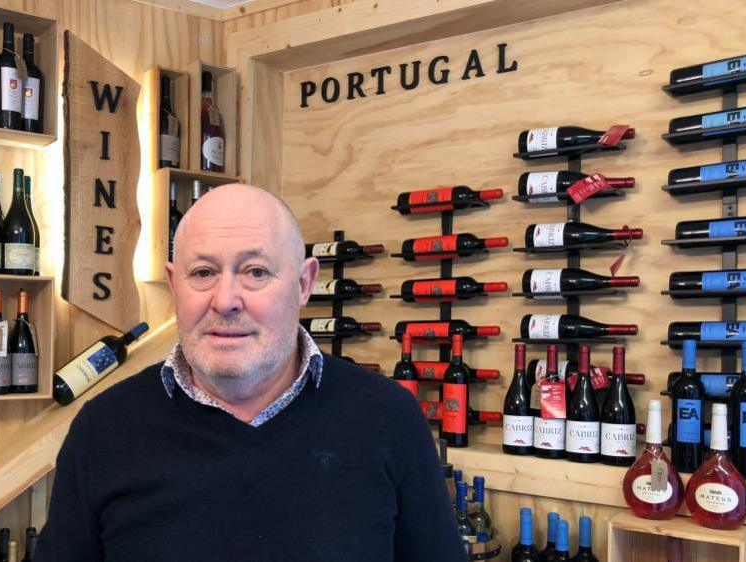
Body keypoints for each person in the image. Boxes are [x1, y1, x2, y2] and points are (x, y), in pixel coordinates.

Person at [36, 184, 465, 561]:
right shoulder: (103, 429)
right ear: (173, 286)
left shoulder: (388, 418)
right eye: (203, 273)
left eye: (255, 272)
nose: (226, 300)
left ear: (303, 283)